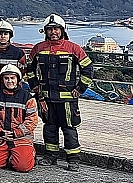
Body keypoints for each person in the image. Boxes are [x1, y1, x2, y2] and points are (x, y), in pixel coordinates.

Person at [26, 14, 94, 171]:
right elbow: (29, 69)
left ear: (62, 30)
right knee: (49, 128)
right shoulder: (38, 49)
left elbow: (88, 69)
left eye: (56, 29)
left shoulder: (73, 48)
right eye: (50, 29)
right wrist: (34, 86)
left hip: (67, 99)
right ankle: (51, 156)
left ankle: (74, 159)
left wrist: (80, 89)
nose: (53, 32)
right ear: (45, 31)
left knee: (69, 128)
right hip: (46, 98)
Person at [0, 64, 38, 172]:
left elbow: (32, 120)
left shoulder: (27, 97)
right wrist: (0, 131)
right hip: (1, 137)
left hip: (20, 138)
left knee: (23, 167)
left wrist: (16, 133)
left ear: (17, 79)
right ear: (2, 80)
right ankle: (9, 155)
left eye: (12, 78)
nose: (9, 81)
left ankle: (30, 154)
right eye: (6, 78)